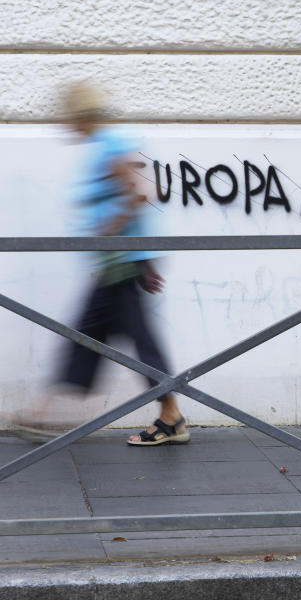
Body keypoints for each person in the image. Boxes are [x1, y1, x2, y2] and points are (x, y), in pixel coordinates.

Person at [12, 81, 188, 446]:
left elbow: (140, 192)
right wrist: (141, 255)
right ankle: (43, 415)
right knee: (98, 338)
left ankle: (41, 416)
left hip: (119, 263)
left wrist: (111, 236)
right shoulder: (105, 145)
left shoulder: (112, 143)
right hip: (120, 261)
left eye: (67, 117)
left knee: (110, 338)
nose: (64, 124)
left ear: (81, 116)